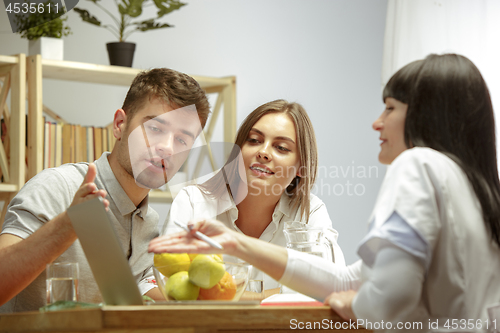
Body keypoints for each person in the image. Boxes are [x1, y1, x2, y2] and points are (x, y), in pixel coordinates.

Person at [149, 54, 500, 331]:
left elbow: (387, 301)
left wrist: (358, 307)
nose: (377, 122)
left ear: (426, 117)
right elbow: (349, 279)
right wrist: (236, 243)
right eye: (253, 140)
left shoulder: (418, 164)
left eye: (390, 108)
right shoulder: (473, 187)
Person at [0, 68, 210, 312]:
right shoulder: (56, 186)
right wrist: (68, 225)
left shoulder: (149, 223)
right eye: (155, 128)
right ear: (120, 124)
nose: (167, 147)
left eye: (182, 140)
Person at [161, 99, 345, 292]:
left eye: (281, 147)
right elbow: (168, 285)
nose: (263, 152)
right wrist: (277, 295)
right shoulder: (193, 202)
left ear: (301, 167)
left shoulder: (310, 213)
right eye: (254, 140)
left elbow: (332, 287)